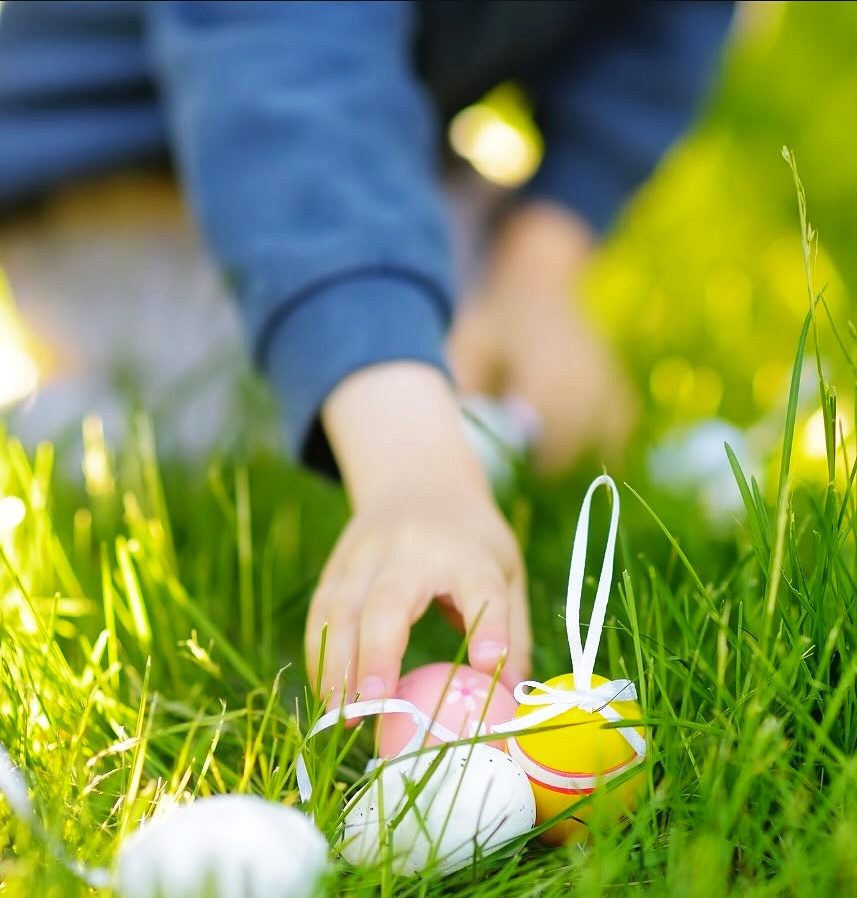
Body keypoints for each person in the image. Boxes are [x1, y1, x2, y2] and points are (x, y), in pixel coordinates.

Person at [0, 0, 735, 704]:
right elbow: (291, 84)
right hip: (125, 169)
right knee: (318, 385)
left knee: (489, 357)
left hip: (370, 138)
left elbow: (654, 38)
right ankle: (85, 422)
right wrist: (415, 474)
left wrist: (537, 274)